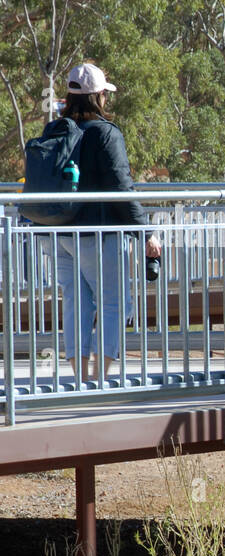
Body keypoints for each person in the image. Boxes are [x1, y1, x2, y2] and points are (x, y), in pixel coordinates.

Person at [54, 62, 161, 383]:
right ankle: (99, 381)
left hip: (58, 232)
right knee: (115, 304)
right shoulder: (105, 133)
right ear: (99, 96)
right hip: (97, 235)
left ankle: (80, 380)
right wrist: (145, 233)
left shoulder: (55, 130)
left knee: (76, 303)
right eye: (104, 94)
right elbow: (121, 189)